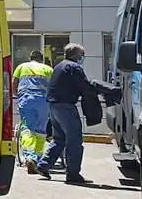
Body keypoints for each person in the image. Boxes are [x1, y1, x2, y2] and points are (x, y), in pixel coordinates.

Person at [36, 42, 110, 185]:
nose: (83, 58)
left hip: (53, 106)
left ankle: (44, 165)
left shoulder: (59, 66)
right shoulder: (74, 67)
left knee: (59, 139)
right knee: (74, 140)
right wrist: (104, 91)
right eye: (82, 55)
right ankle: (73, 174)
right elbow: (85, 86)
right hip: (66, 106)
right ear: (76, 55)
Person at [13, 50, 52, 174]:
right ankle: (37, 159)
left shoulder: (21, 67)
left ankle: (29, 157)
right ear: (42, 59)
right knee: (41, 131)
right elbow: (53, 86)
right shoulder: (48, 69)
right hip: (43, 102)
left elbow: (14, 83)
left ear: (30, 58)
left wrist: (16, 94)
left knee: (27, 129)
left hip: (26, 100)